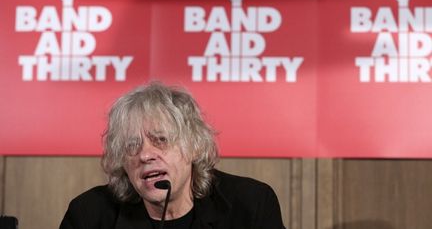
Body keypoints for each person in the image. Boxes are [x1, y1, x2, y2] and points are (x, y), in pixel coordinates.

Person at [60, 82, 286, 229]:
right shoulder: (89, 215)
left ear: (194, 146)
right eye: (132, 145)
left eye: (161, 140)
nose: (146, 155)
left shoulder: (250, 206)